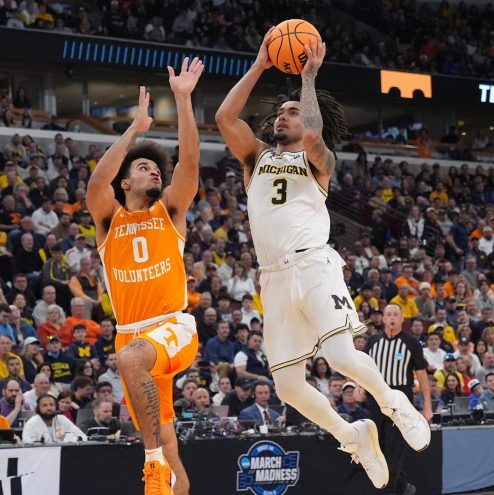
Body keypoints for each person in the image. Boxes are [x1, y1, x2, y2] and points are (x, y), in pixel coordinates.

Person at [216, 30, 429, 489]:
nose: (282, 115)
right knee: (288, 387)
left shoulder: (319, 160)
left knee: (341, 355)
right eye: (279, 111)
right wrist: (259, 64)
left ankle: (395, 404)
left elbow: (313, 134)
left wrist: (308, 78)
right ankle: (353, 435)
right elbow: (224, 117)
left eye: (291, 111)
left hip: (314, 263)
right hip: (272, 277)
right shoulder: (255, 157)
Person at [87, 58, 203, 495]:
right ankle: (169, 474)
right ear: (124, 184)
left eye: (156, 169)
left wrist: (183, 100)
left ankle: (152, 466)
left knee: (133, 361)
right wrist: (134, 130)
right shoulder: (108, 220)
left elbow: (189, 161)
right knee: (167, 442)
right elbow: (96, 183)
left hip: (172, 327)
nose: (154, 171)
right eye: (143, 168)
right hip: (130, 337)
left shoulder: (169, 211)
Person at [364, 304, 432, 495]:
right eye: (389, 314)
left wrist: (427, 405)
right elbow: (364, 368)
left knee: (395, 446)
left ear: (402, 318)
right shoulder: (372, 341)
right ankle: (402, 486)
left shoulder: (411, 343)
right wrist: (360, 387)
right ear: (383, 319)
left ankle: (390, 491)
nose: (392, 317)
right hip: (376, 398)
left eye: (396, 314)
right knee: (378, 446)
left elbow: (422, 375)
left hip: (400, 399)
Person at [22, 393, 87, 443]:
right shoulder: (31, 424)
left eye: (51, 405)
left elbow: (83, 437)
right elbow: (27, 445)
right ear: (38, 409)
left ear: (56, 407)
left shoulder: (62, 419)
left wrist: (67, 438)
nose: (49, 408)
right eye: (45, 405)